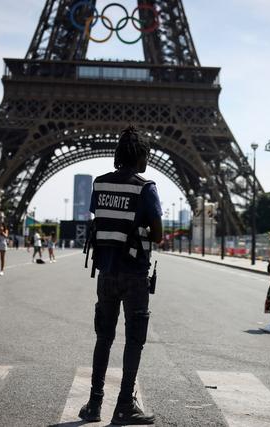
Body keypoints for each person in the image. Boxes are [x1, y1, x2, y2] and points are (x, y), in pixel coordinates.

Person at [79, 126, 162, 425]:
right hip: (135, 274)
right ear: (140, 156)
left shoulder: (99, 184)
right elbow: (158, 235)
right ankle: (125, 404)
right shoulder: (146, 187)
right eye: (146, 155)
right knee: (134, 340)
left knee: (104, 338)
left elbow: (99, 222)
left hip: (106, 272)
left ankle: (93, 404)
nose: (148, 161)